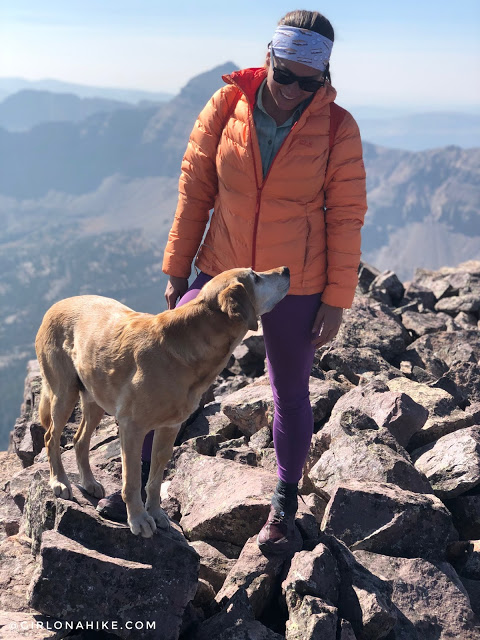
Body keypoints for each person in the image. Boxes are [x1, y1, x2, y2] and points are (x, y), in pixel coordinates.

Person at [98, 9, 367, 554]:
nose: (292, 89)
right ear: (268, 57)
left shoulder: (338, 127)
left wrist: (336, 299)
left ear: (325, 76)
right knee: (159, 368)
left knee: (289, 392)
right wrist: (178, 268)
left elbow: (345, 216)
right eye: (284, 73)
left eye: (308, 81)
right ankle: (133, 485)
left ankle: (284, 501)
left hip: (295, 283)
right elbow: (195, 188)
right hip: (221, 272)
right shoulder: (226, 105)